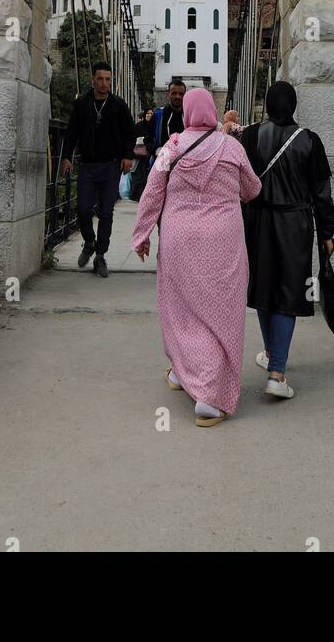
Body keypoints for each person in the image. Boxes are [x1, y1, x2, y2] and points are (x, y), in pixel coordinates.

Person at [133, 88, 261, 427]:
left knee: (180, 309)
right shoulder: (233, 147)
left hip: (179, 239)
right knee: (221, 313)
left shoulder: (170, 147)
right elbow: (253, 190)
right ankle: (209, 396)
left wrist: (142, 234)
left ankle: (181, 371)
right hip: (224, 241)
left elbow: (151, 192)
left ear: (188, 113)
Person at [226, 82, 334, 401]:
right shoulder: (309, 141)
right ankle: (277, 373)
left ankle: (273, 354)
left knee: (263, 289)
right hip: (295, 225)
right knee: (288, 291)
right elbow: (322, 193)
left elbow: (236, 180)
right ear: (294, 105)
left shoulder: (249, 137)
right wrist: (327, 233)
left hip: (257, 221)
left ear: (268, 106)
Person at [61, 60, 136, 278]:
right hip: (87, 165)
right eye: (101, 79)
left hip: (111, 165)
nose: (105, 84)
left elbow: (129, 133)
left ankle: (100, 255)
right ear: (93, 80)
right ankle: (89, 241)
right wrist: (66, 157)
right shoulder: (82, 104)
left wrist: (127, 156)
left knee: (106, 212)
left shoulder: (118, 105)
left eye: (108, 79)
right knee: (83, 209)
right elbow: (71, 132)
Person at [145, 78, 186, 160]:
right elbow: (147, 140)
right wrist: (156, 151)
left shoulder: (190, 116)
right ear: (168, 94)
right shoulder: (158, 115)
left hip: (185, 164)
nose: (177, 96)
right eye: (174, 93)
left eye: (181, 94)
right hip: (162, 163)